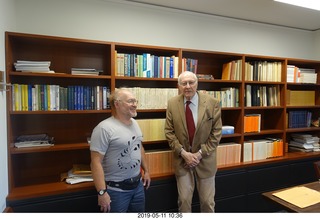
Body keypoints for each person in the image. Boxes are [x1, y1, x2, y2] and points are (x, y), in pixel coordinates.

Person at [165, 71, 222, 212]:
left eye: (191, 82)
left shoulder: (212, 103)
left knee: (208, 203)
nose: (188, 86)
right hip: (182, 160)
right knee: (183, 202)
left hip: (205, 160)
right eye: (184, 83)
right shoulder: (172, 103)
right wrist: (184, 153)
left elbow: (216, 133)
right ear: (179, 86)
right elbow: (169, 132)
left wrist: (199, 154)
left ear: (197, 84)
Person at [90, 87, 151, 213]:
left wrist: (147, 171)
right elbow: (95, 162)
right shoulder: (103, 128)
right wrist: (102, 193)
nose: (134, 104)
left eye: (135, 101)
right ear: (117, 104)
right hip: (116, 192)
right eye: (130, 101)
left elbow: (139, 147)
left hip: (138, 186)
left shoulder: (134, 123)